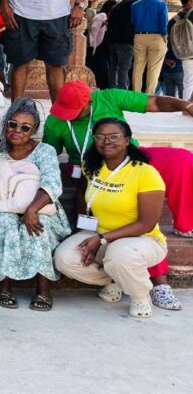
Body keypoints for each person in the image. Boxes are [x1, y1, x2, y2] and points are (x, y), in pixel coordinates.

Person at [43, 80, 193, 310]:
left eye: (76, 111)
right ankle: (121, 278)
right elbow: (48, 156)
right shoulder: (56, 120)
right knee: (108, 234)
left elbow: (154, 102)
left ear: (90, 100)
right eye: (65, 111)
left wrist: (184, 105)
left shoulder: (109, 97)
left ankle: (184, 226)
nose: (69, 117)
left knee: (182, 160)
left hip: (129, 161)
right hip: (90, 168)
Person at [54, 118, 168, 319]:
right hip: (100, 233)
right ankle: (114, 281)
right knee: (64, 258)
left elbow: (146, 223)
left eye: (114, 136)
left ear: (127, 140)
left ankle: (140, 295)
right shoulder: (91, 167)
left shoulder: (145, 173)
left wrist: (102, 238)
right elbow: (83, 198)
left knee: (119, 254)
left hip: (143, 240)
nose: (107, 141)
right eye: (100, 136)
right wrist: (86, 232)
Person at [0, 98, 71, 311]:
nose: (17, 130)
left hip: (40, 206)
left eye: (25, 127)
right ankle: (5, 285)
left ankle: (43, 290)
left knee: (38, 225)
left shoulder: (45, 151)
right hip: (5, 206)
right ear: (6, 125)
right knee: (3, 221)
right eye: (12, 124)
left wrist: (31, 209)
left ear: (34, 130)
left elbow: (53, 185)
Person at [130, 0, 169, 94]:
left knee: (138, 66)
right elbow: (164, 23)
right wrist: (165, 37)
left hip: (139, 36)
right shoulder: (161, 4)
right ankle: (149, 95)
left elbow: (133, 21)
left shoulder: (135, 5)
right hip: (156, 37)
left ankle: (136, 94)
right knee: (153, 69)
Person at [104, 0, 140, 89]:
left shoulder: (115, 7)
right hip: (126, 41)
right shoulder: (134, 5)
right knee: (124, 68)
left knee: (113, 67)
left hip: (112, 41)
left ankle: (113, 89)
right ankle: (122, 91)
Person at [173, 0, 193, 99]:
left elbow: (169, 27)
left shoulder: (180, 15)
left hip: (185, 53)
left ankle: (186, 108)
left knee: (188, 82)